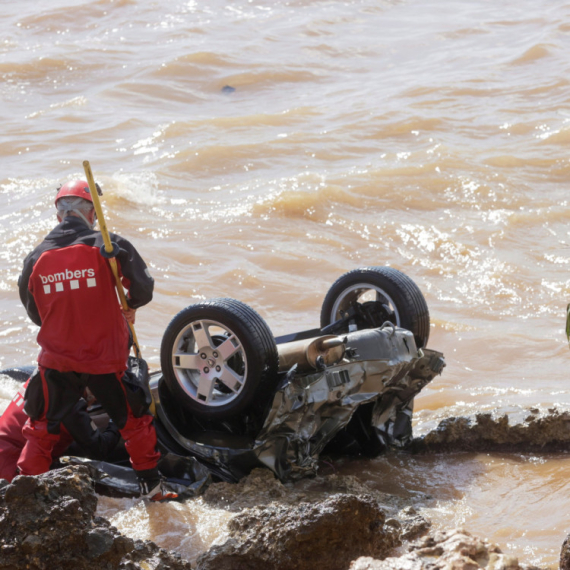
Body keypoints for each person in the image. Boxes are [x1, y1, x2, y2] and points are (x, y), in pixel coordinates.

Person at [17, 179, 176, 501]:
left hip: (56, 359)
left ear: (59, 216)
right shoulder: (110, 247)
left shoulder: (35, 258)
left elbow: (36, 315)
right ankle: (153, 491)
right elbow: (142, 288)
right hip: (105, 358)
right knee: (134, 420)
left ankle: (23, 496)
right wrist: (128, 306)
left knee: (41, 427)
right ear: (92, 213)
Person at [0, 376, 120, 482]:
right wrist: (119, 420)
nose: (94, 401)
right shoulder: (69, 401)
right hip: (11, 468)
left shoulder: (43, 375)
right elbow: (99, 449)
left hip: (9, 450)